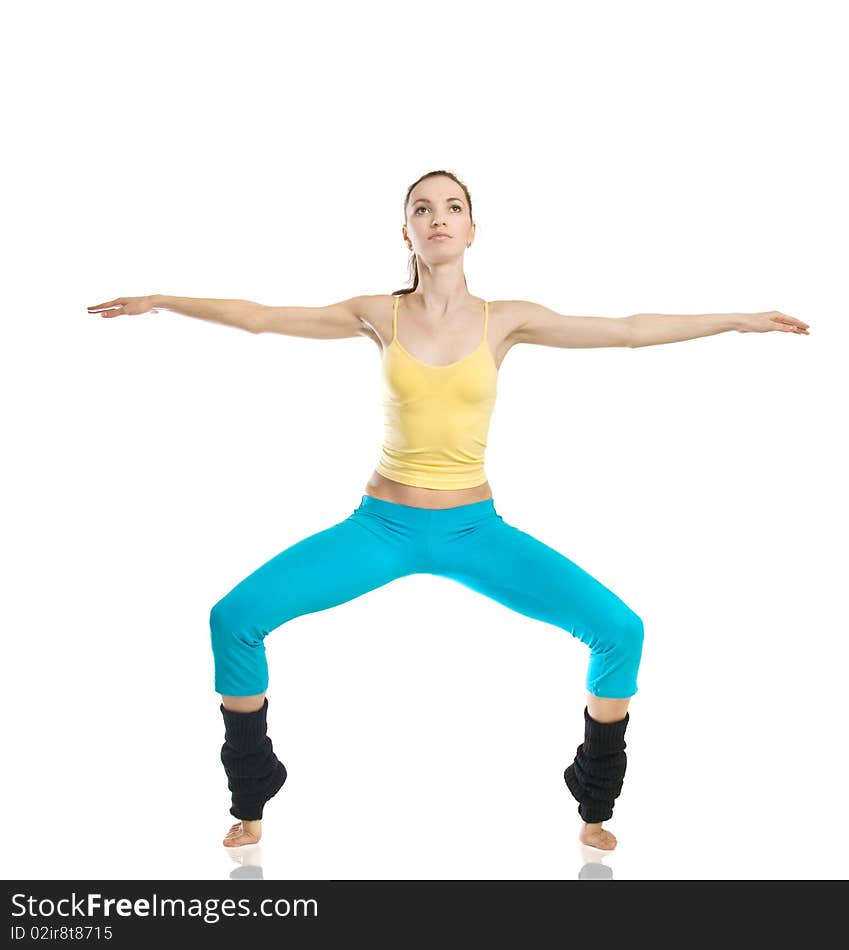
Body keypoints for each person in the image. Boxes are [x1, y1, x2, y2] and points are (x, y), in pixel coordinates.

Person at [87, 169, 809, 853]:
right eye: (422, 209)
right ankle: (252, 790)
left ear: (472, 229)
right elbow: (262, 318)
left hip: (475, 531)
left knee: (621, 630)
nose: (437, 219)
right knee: (233, 619)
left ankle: (593, 798)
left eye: (451, 208)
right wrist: (163, 299)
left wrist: (738, 321)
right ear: (406, 232)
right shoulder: (380, 313)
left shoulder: (507, 321)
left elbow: (623, 329)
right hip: (381, 528)